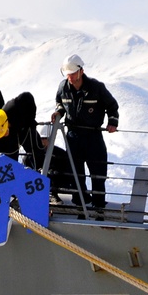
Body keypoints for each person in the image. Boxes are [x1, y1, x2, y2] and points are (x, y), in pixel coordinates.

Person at [49, 54, 119, 214]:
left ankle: (99, 205)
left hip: (93, 136)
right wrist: (58, 112)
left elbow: (112, 105)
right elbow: (59, 102)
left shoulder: (97, 88)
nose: (70, 77)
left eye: (73, 73)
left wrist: (113, 122)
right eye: (68, 74)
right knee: (76, 173)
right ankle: (80, 203)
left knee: (98, 173)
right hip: (73, 136)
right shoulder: (63, 87)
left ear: (81, 71)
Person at [0, 92, 48, 168]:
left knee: (36, 152)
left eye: (3, 132)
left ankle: (41, 173)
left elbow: (28, 96)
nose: (3, 134)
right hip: (12, 136)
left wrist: (30, 120)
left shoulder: (14, 106)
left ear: (5, 123)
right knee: (8, 158)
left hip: (24, 127)